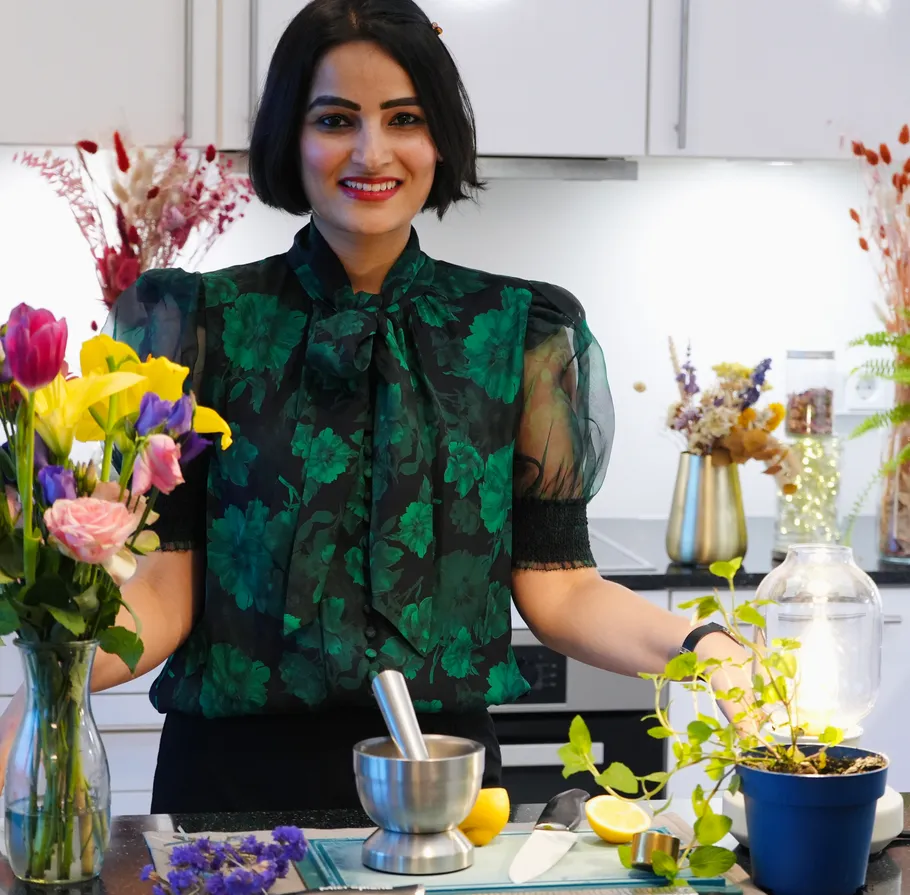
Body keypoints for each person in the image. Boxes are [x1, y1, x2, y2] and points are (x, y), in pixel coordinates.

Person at [0, 0, 749, 812]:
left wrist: (706, 646)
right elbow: (160, 597)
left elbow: (560, 591)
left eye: (404, 118)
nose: (372, 151)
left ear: (439, 140)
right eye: (336, 118)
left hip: (445, 788)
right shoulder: (196, 327)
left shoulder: (517, 333)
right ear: (293, 135)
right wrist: (44, 688)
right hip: (228, 793)